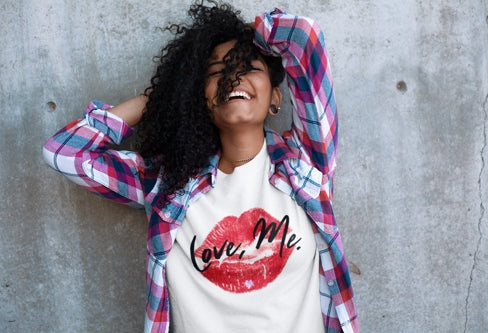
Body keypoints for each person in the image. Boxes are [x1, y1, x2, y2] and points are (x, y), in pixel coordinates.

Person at [42, 1, 358, 332]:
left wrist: (250, 32)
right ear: (200, 99)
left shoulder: (307, 165)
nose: (232, 76)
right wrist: (167, 95)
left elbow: (304, 38)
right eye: (216, 72)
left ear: (276, 97)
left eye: (248, 66)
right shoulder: (167, 183)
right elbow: (65, 153)